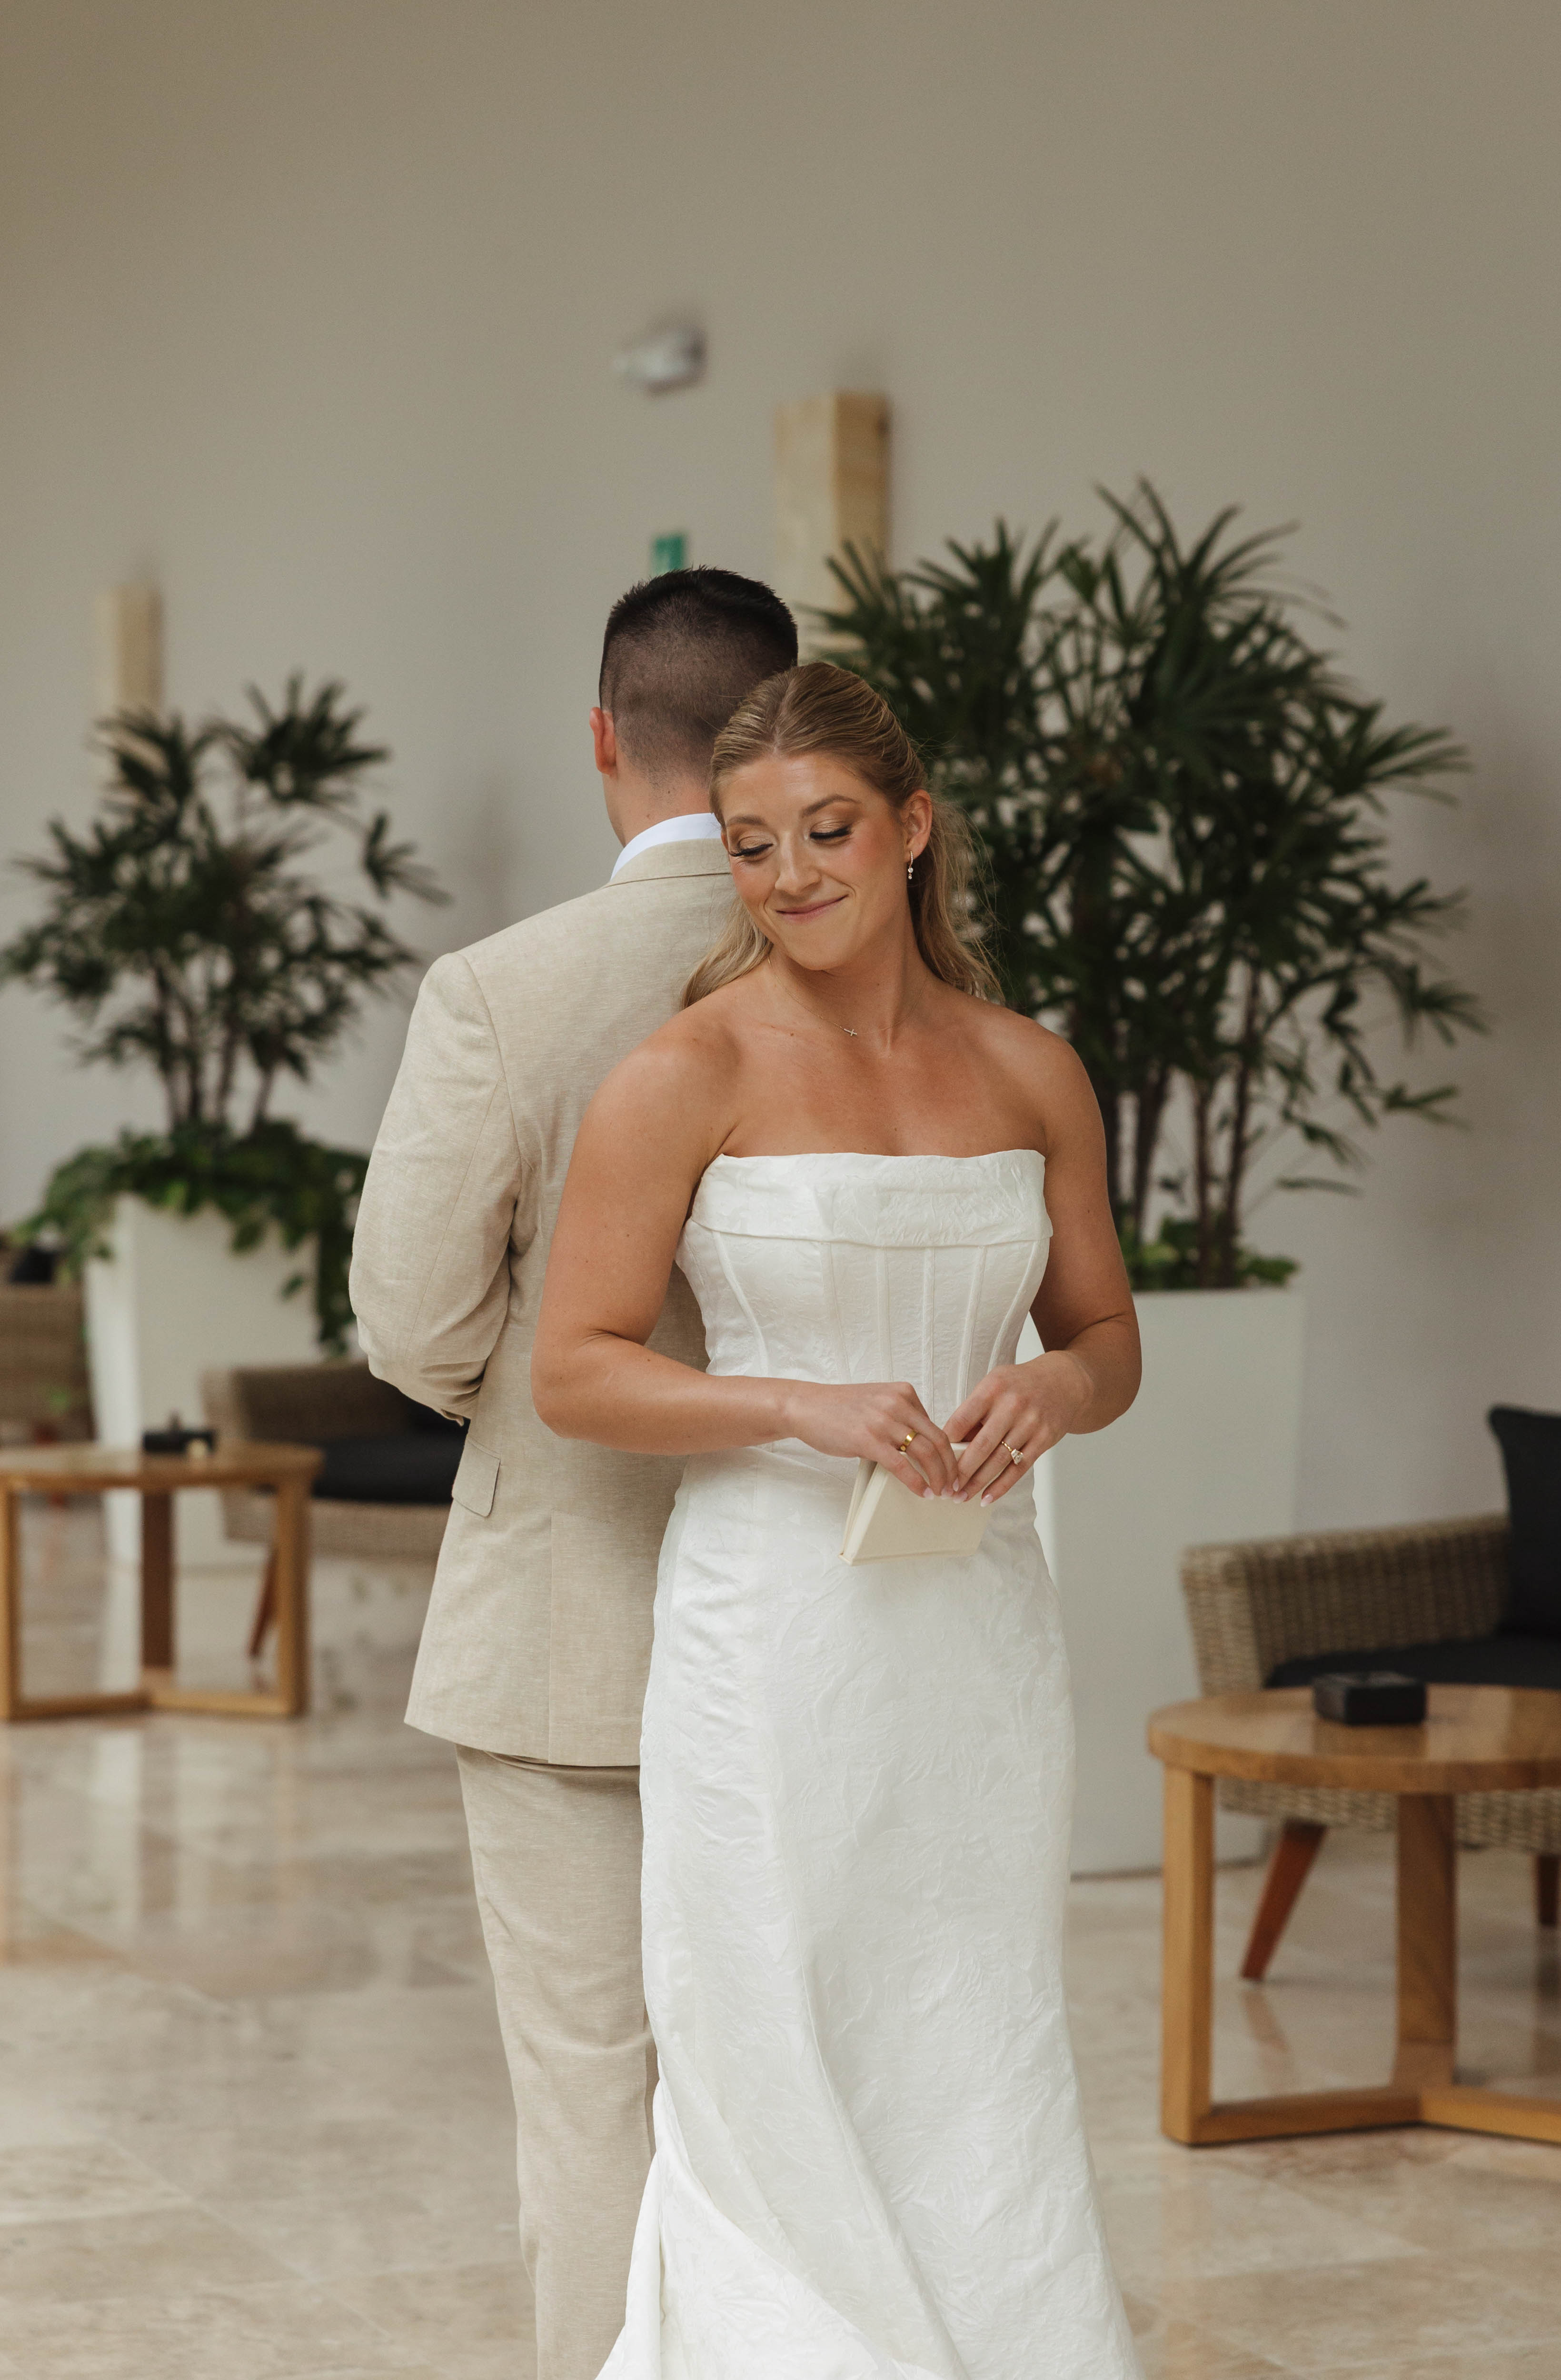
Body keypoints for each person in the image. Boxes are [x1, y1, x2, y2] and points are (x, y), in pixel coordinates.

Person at [532, 660, 1145, 2379]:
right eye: (749, 846)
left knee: (970, 2019)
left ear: (912, 828)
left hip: (976, 1628)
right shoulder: (687, 1070)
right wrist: (794, 1402)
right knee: (768, 2021)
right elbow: (576, 1371)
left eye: (826, 831)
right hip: (772, 1629)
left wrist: (1053, 1393)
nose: (793, 875)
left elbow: (1108, 1342)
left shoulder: (1034, 1074)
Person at [348, 568, 799, 2380]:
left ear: (604, 737)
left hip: (569, 1622)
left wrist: (535, 1405)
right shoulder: (868, 977)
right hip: (815, 1609)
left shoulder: (504, 990)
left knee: (591, 2099)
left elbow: (408, 1319)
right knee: (791, 2089)